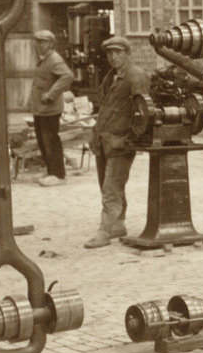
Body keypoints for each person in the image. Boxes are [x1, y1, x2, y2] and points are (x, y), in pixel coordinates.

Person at [85, 36, 150, 248]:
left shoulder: (135, 77)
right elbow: (105, 107)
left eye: (118, 52)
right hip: (104, 140)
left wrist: (128, 140)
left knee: (111, 187)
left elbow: (143, 113)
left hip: (119, 143)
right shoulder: (111, 77)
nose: (113, 57)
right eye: (110, 53)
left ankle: (104, 231)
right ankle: (119, 224)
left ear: (127, 53)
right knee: (109, 183)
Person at [30, 29, 74, 186]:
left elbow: (68, 76)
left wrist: (51, 94)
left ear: (51, 44)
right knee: (43, 141)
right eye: (37, 42)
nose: (39, 45)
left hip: (50, 109)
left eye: (42, 42)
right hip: (40, 109)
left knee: (51, 142)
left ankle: (58, 175)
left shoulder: (55, 60)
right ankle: (50, 171)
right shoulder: (43, 59)